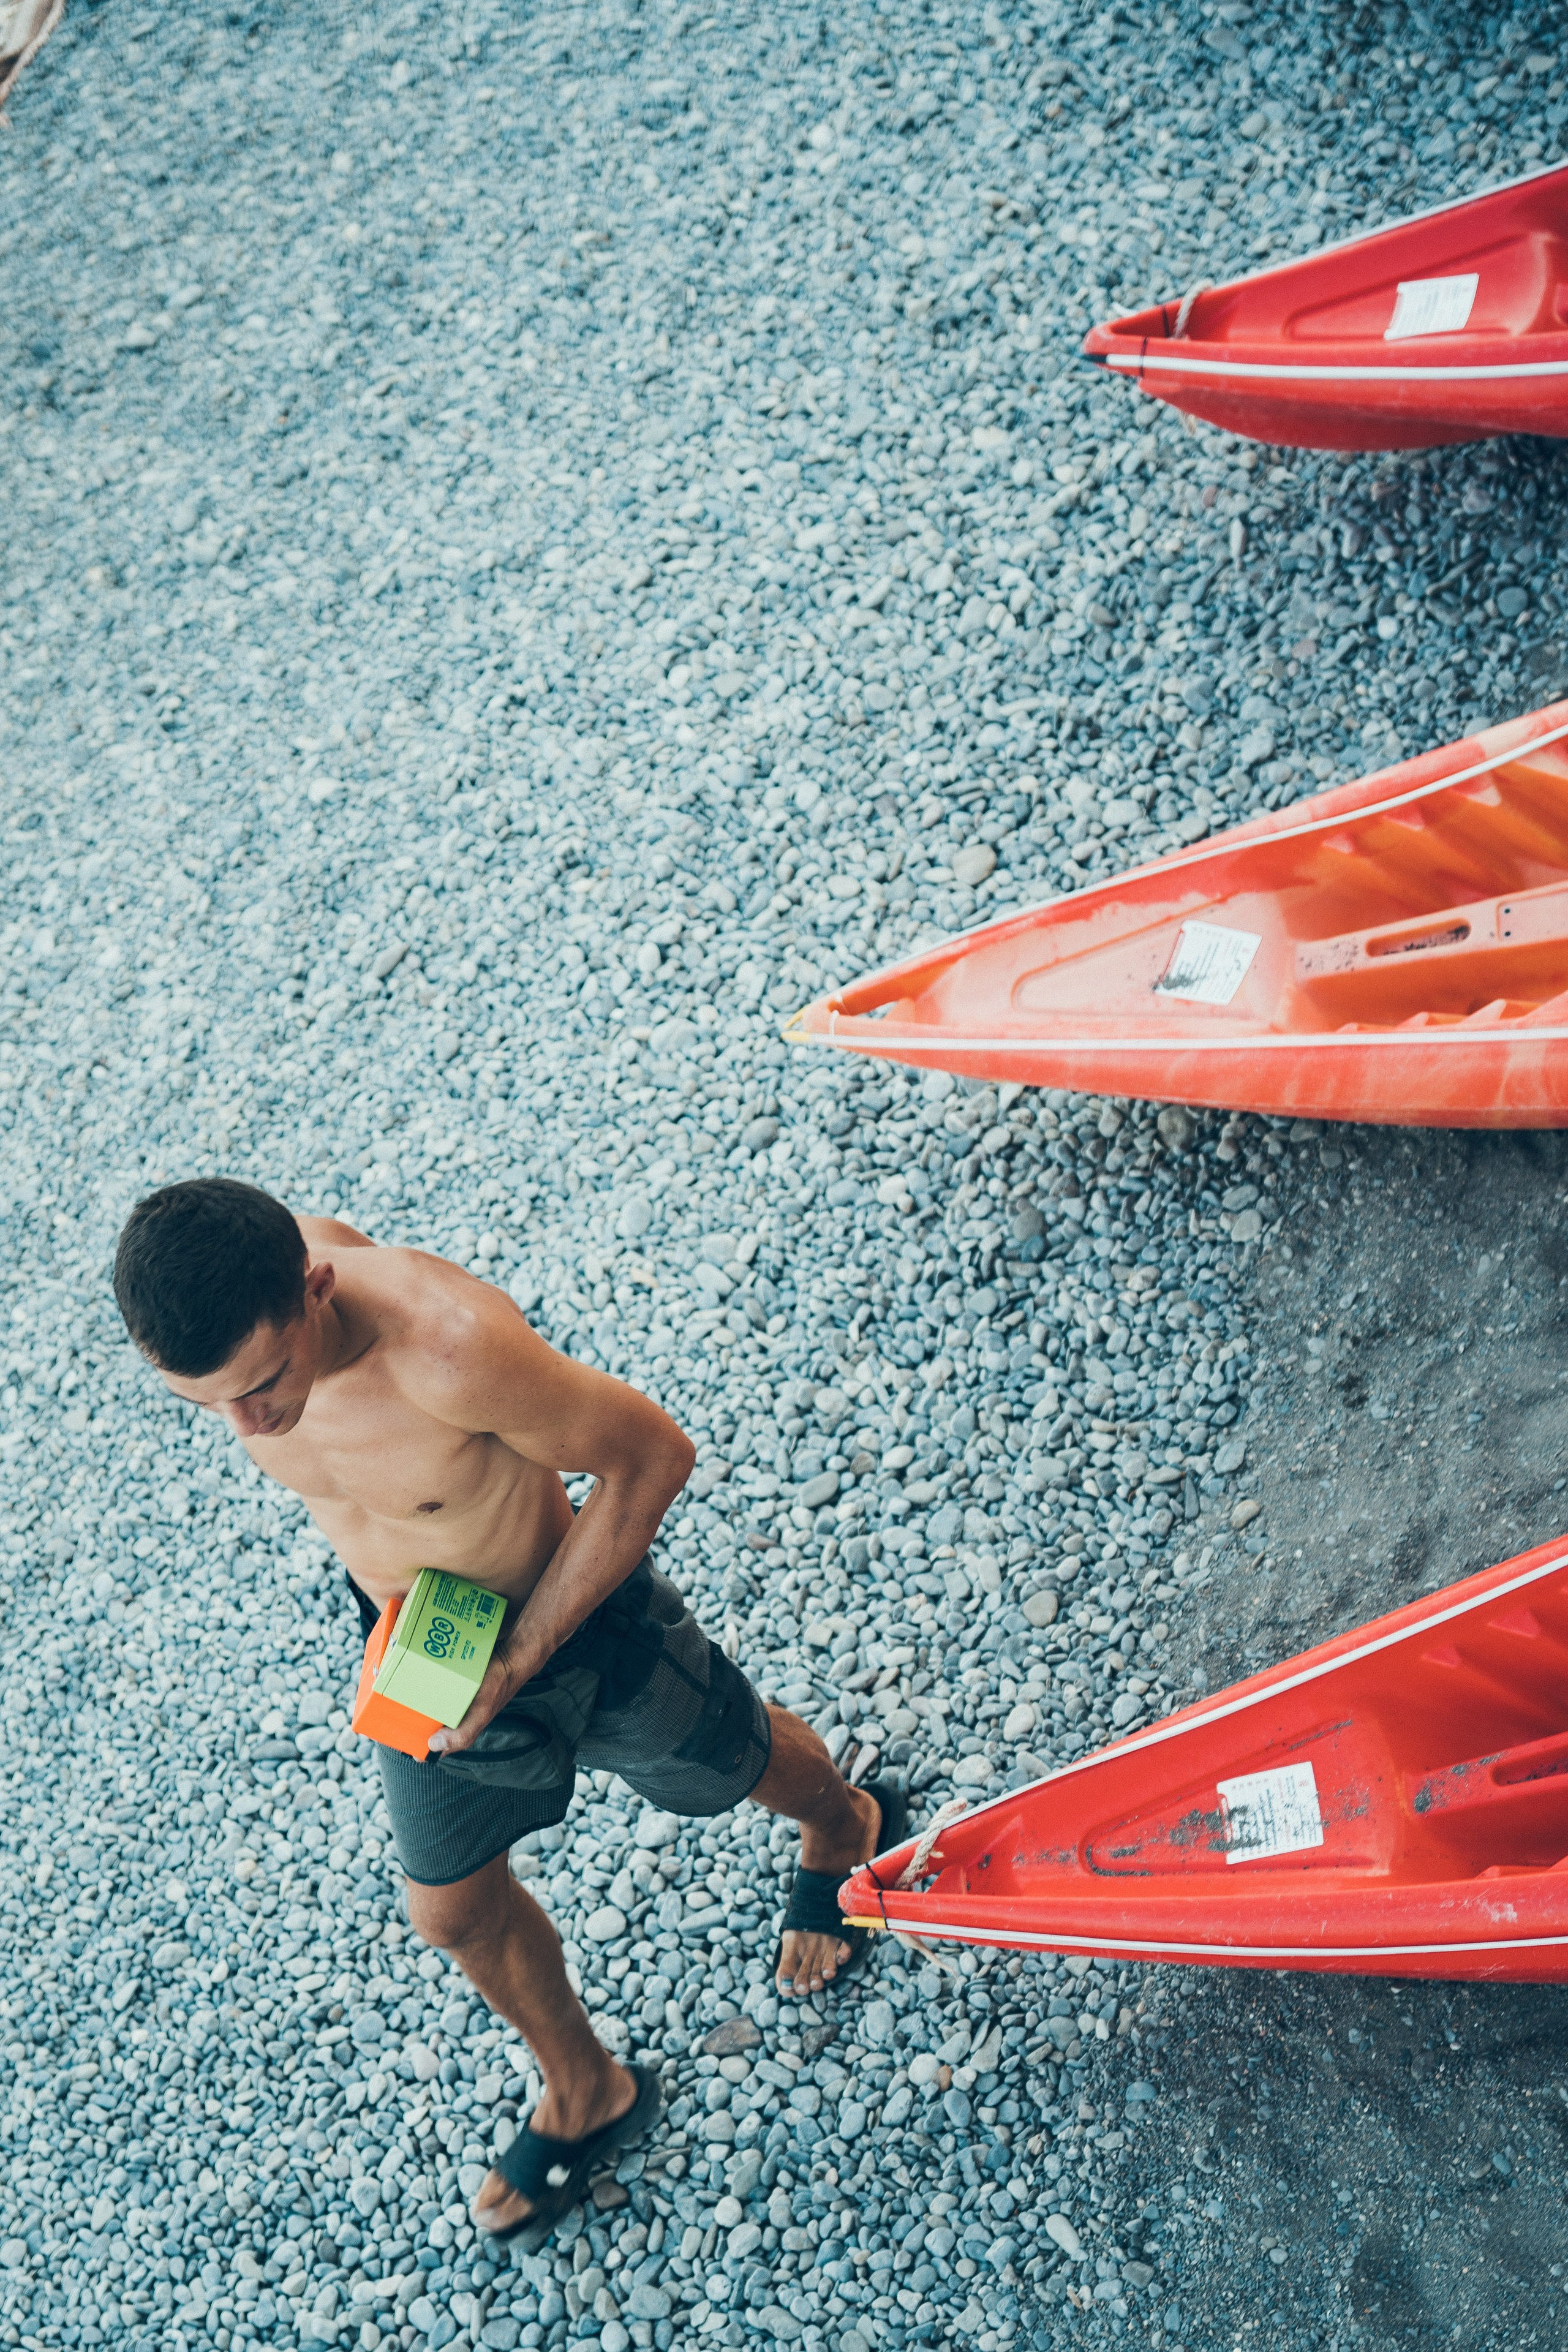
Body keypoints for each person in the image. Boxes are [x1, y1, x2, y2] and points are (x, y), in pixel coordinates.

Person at [112, 1178, 907, 2238]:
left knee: (736, 1760)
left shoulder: (449, 1345)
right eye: (208, 1401)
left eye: (263, 1386)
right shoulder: (243, 1321)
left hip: (574, 1623)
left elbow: (654, 1456)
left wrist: (523, 1656)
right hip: (428, 1648)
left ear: (316, 1290)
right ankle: (586, 2087)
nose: (245, 1423)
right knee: (452, 1912)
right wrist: (424, 1642)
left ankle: (843, 1823)